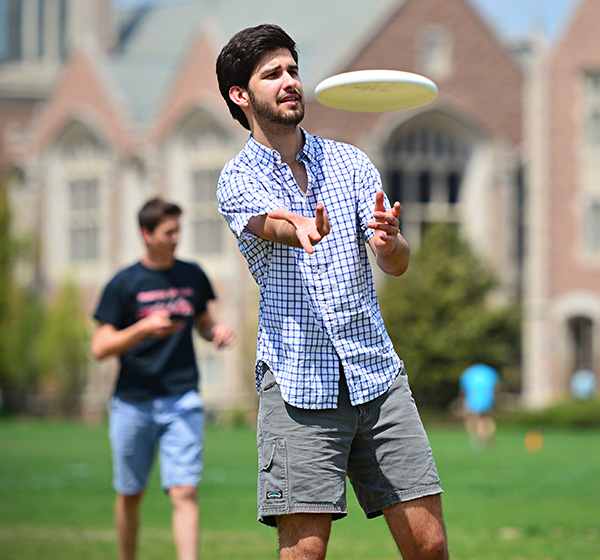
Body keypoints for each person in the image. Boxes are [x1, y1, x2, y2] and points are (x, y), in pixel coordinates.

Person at [215, 24, 448, 560]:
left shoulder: (351, 162)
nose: (290, 81)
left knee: (430, 546)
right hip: (298, 384)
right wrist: (297, 226)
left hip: (377, 376)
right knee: (305, 554)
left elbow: (397, 263)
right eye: (272, 74)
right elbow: (268, 223)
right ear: (241, 96)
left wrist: (389, 242)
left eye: (293, 70)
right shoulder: (237, 177)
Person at [91, 197, 236, 560]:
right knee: (130, 492)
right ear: (146, 234)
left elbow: (202, 323)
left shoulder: (192, 275)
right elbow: (100, 346)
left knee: (185, 491)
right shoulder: (124, 283)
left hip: (181, 397)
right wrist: (142, 329)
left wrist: (215, 332)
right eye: (168, 232)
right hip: (132, 402)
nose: (176, 238)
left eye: (178, 231)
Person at [458, 363, 501, 450]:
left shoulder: (468, 372)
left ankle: (475, 438)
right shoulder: (489, 371)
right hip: (488, 399)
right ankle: (485, 435)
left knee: (471, 419)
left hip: (472, 399)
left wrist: (461, 400)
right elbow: (497, 386)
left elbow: (463, 389)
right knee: (485, 418)